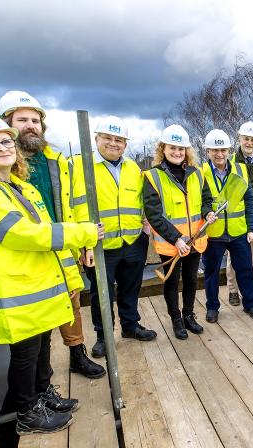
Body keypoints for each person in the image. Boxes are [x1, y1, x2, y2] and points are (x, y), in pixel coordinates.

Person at [0, 115, 103, 434]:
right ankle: (27, 413)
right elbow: (23, 234)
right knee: (24, 355)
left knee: (40, 348)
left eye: (7, 141)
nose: (3, 148)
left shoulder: (13, 185)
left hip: (33, 284)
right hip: (14, 289)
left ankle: (42, 396)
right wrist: (81, 233)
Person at [0, 90, 105, 379]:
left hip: (63, 242)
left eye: (35, 120)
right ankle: (40, 376)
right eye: (22, 120)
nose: (30, 125)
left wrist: (86, 243)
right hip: (29, 249)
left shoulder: (56, 161)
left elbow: (76, 203)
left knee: (72, 301)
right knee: (38, 312)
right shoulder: (2, 163)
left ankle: (76, 355)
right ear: (7, 125)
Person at [72, 116, 157, 358]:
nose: (113, 143)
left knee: (131, 288)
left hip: (132, 241)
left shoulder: (133, 168)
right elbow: (73, 206)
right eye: (108, 138)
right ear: (96, 138)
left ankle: (130, 326)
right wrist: (84, 243)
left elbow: (141, 201)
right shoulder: (80, 167)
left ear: (125, 144)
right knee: (102, 293)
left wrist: (144, 225)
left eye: (119, 140)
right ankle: (103, 335)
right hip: (99, 245)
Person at [143, 125, 216, 340]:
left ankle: (189, 315)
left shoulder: (197, 174)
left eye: (181, 149)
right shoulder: (152, 177)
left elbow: (206, 200)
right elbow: (154, 214)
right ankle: (176, 318)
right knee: (172, 282)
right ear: (163, 149)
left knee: (192, 280)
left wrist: (209, 212)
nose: (177, 152)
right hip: (171, 244)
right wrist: (176, 239)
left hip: (194, 241)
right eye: (173, 148)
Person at [200, 129, 253, 323]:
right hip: (214, 233)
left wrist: (252, 228)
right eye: (215, 150)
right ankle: (212, 308)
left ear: (229, 150)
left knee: (244, 269)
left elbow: (250, 200)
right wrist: (206, 213)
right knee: (211, 272)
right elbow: (200, 201)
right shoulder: (201, 172)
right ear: (208, 151)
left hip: (238, 232)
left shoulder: (240, 169)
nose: (219, 155)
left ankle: (250, 304)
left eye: (223, 150)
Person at [227, 121, 253, 305]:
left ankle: (250, 287)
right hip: (236, 219)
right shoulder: (231, 162)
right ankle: (233, 290)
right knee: (233, 258)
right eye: (246, 139)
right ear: (240, 139)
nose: (249, 142)